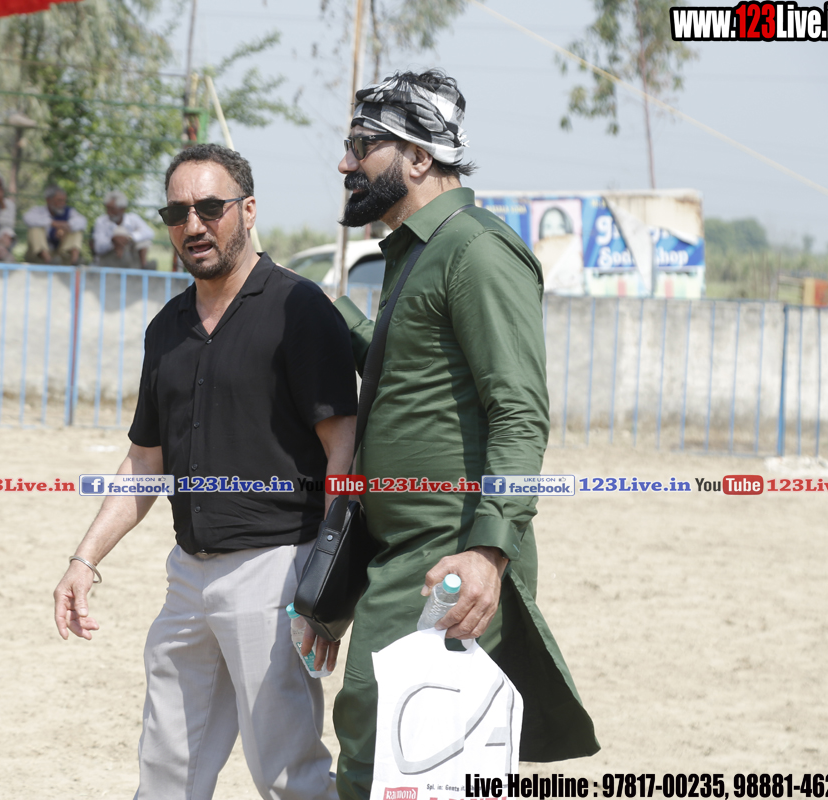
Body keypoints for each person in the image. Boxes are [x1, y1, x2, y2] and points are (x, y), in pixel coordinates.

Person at [314, 70, 600, 800]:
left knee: (389, 747)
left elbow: (519, 412)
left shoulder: (477, 250)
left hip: (448, 553)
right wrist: (328, 315)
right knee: (400, 757)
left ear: (418, 157)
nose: (346, 163)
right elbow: (410, 371)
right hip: (399, 550)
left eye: (362, 146)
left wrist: (487, 551)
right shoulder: (419, 251)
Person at [53, 143, 356, 800]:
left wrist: (328, 582)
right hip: (188, 573)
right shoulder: (167, 328)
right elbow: (146, 460)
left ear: (248, 210)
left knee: (287, 773)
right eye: (177, 212)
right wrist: (84, 559)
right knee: (166, 769)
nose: (193, 225)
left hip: (275, 570)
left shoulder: (299, 309)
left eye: (210, 208)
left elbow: (344, 446)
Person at [23, 185, 86, 265]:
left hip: (61, 254)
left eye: (64, 200)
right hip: (40, 257)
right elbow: (27, 218)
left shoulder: (69, 211)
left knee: (76, 231)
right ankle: (48, 260)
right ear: (48, 200)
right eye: (59, 200)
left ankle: (75, 262)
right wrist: (52, 223)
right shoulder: (38, 211)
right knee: (35, 229)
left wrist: (65, 226)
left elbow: (82, 221)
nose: (62, 203)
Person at [90, 190, 155, 269]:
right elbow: (98, 248)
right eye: (107, 209)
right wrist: (113, 241)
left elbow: (149, 233)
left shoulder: (133, 219)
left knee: (144, 240)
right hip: (108, 260)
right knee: (119, 231)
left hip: (130, 259)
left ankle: (144, 267)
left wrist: (128, 238)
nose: (109, 212)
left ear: (122, 209)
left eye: (112, 209)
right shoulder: (101, 221)